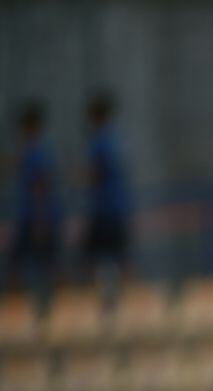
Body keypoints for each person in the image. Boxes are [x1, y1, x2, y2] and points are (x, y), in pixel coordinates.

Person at [6, 101, 63, 300]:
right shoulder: (34, 150)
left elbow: (41, 186)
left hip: (36, 217)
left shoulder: (36, 151)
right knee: (35, 264)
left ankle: (42, 306)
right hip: (34, 216)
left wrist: (41, 219)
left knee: (37, 265)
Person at [81, 91, 131, 286]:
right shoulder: (116, 138)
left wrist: (78, 176)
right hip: (118, 206)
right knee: (120, 256)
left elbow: (96, 173)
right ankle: (128, 296)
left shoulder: (98, 142)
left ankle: (106, 298)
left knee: (94, 257)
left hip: (103, 208)